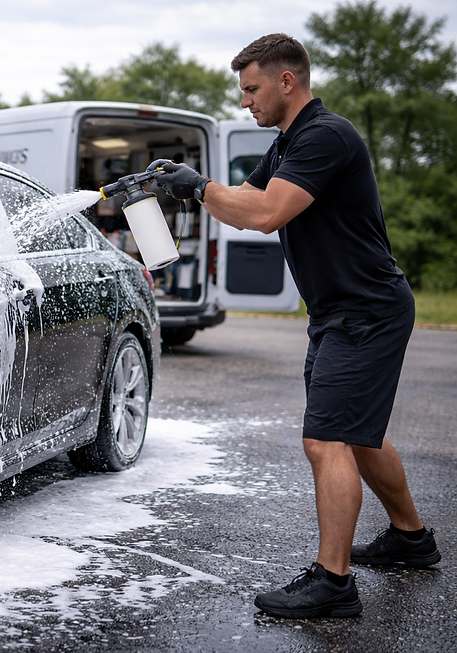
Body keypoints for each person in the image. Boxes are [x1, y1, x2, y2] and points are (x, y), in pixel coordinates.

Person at [146, 33, 440, 619]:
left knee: (325, 438)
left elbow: (266, 212)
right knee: (356, 431)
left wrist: (197, 187)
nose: (245, 101)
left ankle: (334, 584)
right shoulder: (286, 145)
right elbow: (244, 203)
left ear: (288, 81)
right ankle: (412, 539)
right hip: (341, 310)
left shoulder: (324, 136)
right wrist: (181, 185)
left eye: (252, 89)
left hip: (366, 309)